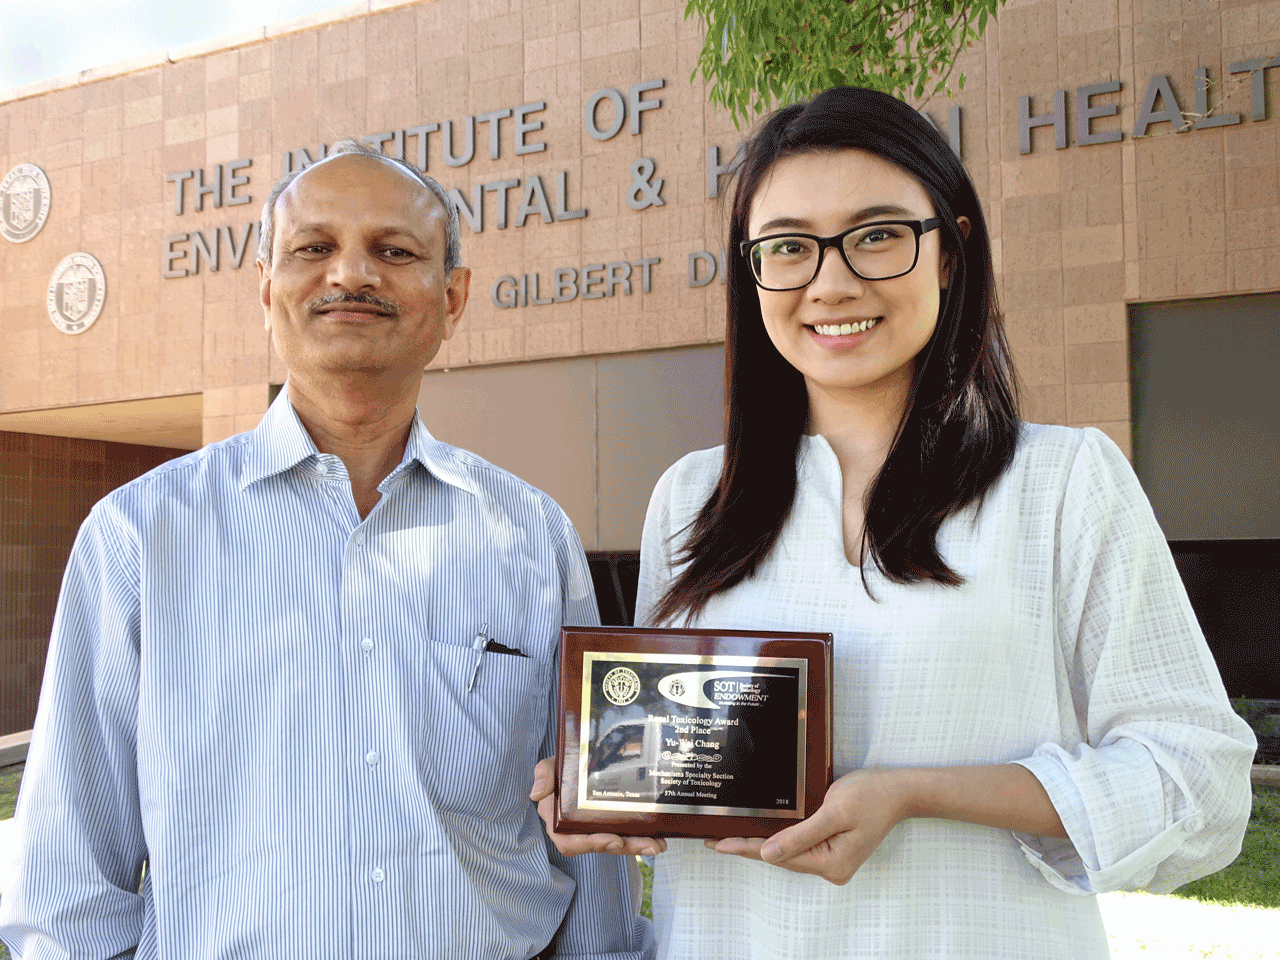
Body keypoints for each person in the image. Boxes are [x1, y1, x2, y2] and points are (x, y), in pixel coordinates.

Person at [533, 87, 1256, 958]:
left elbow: (1200, 785)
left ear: (950, 252)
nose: (831, 282)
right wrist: (604, 787)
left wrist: (913, 792)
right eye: (789, 247)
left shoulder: (1062, 481)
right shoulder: (693, 498)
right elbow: (680, 755)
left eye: (877, 235)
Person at [0, 141, 654, 960]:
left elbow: (589, 847)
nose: (351, 274)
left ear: (452, 298)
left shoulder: (532, 539)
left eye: (394, 250)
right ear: (267, 290)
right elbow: (66, 889)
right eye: (313, 248)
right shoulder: (138, 538)